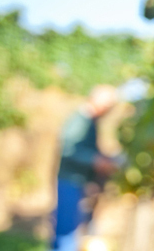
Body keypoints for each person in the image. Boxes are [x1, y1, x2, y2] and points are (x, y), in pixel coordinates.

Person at [52, 85, 120, 251]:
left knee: (74, 230)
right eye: (109, 106)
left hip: (78, 182)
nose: (109, 111)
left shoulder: (90, 122)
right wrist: (95, 160)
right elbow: (68, 148)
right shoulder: (80, 119)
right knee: (67, 232)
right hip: (70, 181)